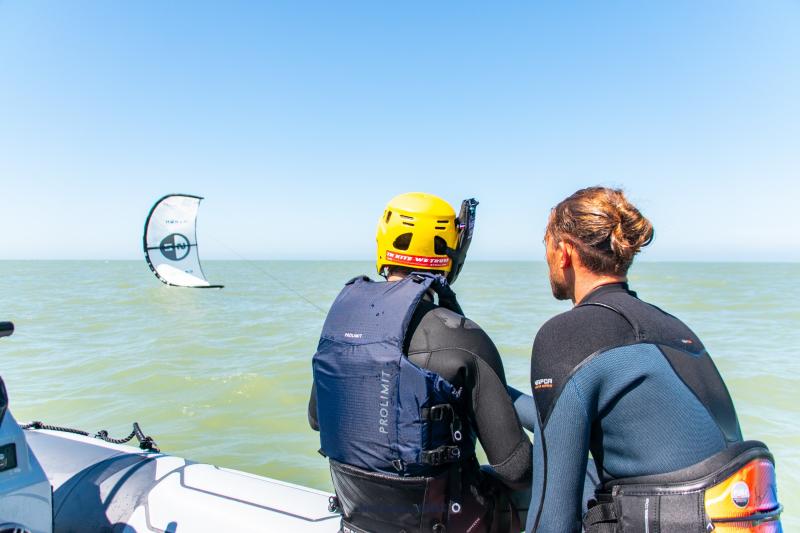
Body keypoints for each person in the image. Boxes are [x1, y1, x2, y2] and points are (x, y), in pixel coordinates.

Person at [525, 187, 782, 532]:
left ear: (564, 252)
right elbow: (570, 410)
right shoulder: (673, 329)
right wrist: (489, 390)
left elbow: (551, 519)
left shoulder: (566, 335)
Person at [309, 192, 532, 533]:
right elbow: (516, 470)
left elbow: (316, 419)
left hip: (358, 521)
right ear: (446, 252)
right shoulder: (462, 334)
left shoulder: (342, 319)